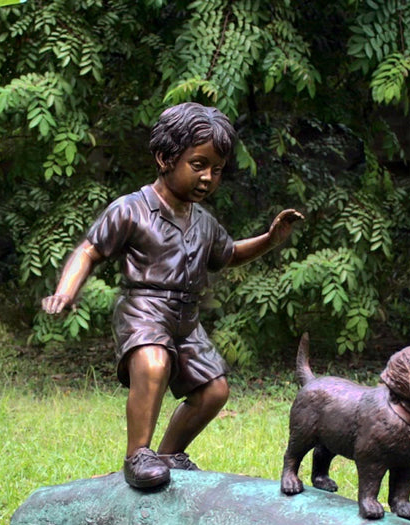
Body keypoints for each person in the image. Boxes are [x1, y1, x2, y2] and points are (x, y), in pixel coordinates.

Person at [42, 102, 303, 489]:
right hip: (144, 309)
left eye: (216, 170)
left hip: (187, 318)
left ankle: (167, 454)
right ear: (165, 158)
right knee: (152, 363)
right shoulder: (131, 209)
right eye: (198, 164)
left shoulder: (204, 222)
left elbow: (228, 254)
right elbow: (89, 250)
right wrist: (65, 291)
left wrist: (269, 239)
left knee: (214, 390)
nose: (207, 178)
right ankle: (137, 454)